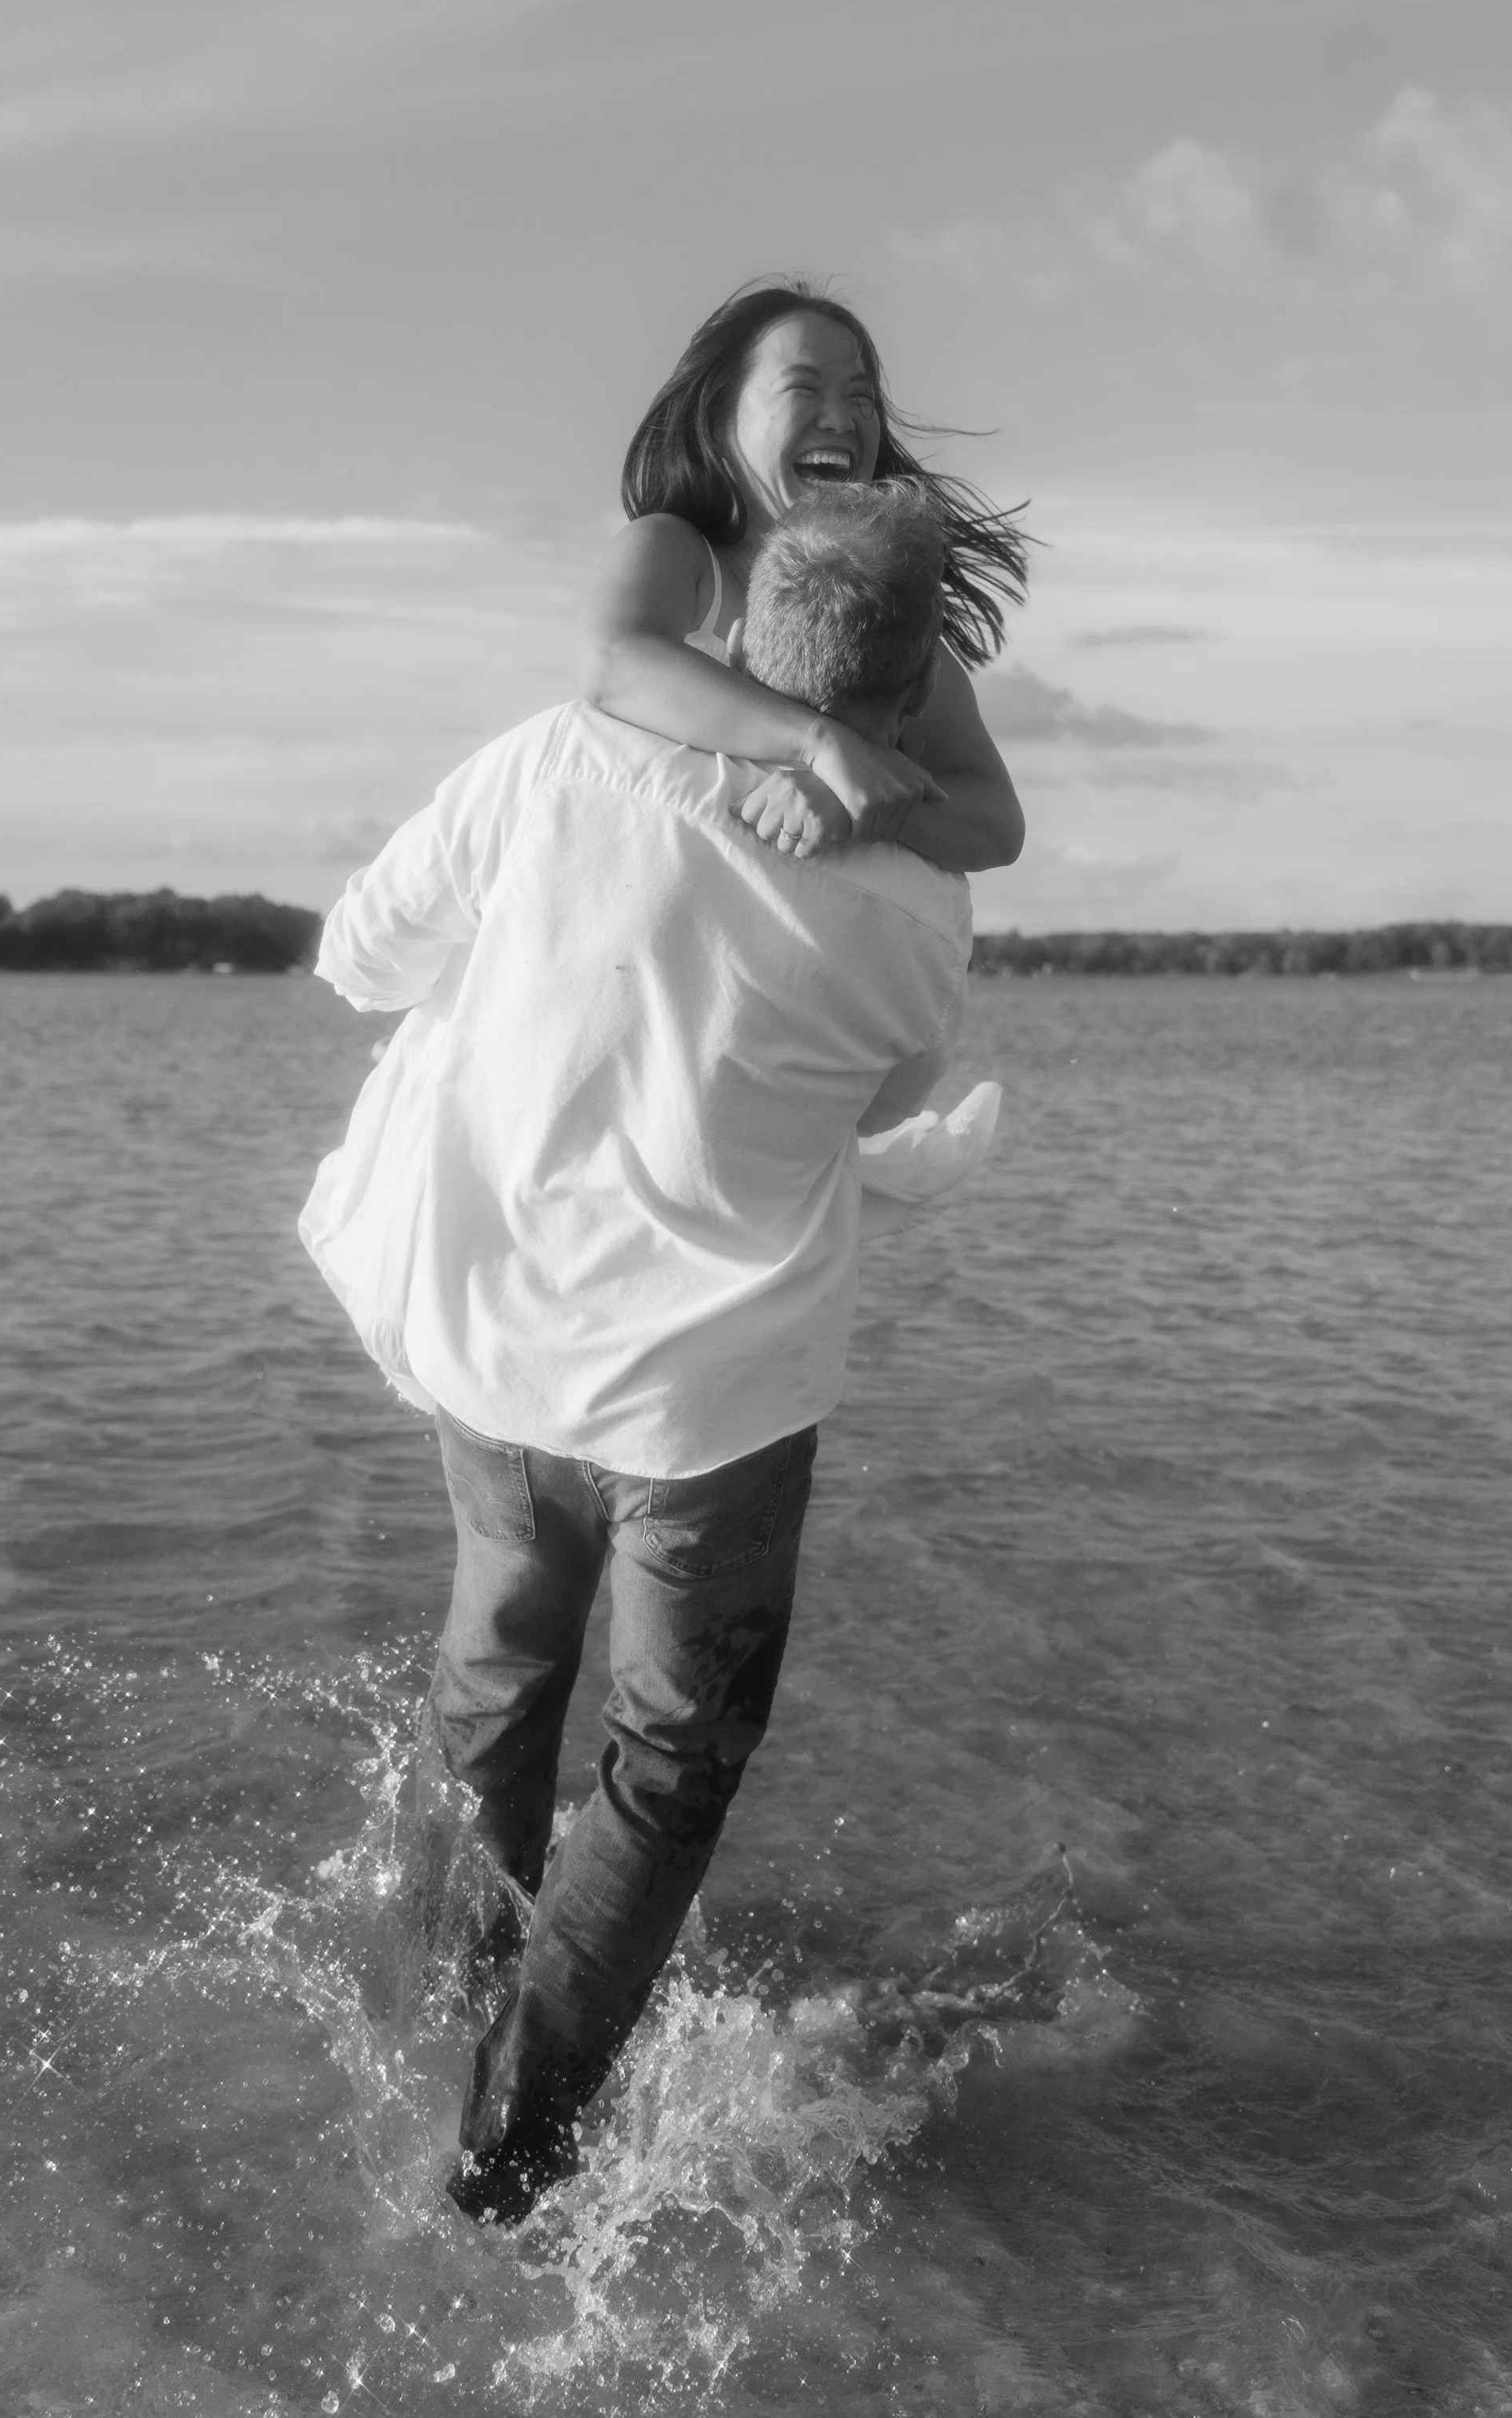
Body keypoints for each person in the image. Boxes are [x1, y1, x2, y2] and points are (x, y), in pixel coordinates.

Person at [301, 484, 988, 2225]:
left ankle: (449, 1995)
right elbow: (884, 1108)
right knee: (667, 1760)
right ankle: (516, 2138)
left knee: (503, 1658)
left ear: (739, 648)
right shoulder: (916, 912)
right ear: (903, 708)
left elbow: (360, 956)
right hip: (710, 1402)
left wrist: (535, 977)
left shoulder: (552, 761)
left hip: (498, 1340)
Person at [582, 279, 1028, 875]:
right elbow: (613, 662)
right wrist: (822, 745)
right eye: (804, 388)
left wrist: (862, 802)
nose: (842, 419)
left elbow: (996, 824)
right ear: (720, 418)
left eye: (863, 399)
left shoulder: (894, 619)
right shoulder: (675, 552)